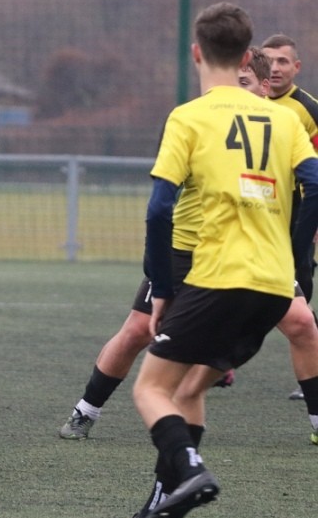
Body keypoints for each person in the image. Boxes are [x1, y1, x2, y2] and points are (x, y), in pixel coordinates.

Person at [99, 2, 318, 518]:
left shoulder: (189, 117)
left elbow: (157, 210)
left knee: (150, 388)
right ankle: (158, 517)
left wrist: (161, 291)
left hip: (219, 278)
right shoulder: (286, 117)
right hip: (273, 286)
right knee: (190, 386)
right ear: (250, 57)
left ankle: (190, 469)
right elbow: (314, 186)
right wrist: (294, 259)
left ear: (196, 52)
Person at [59, 47, 318, 443]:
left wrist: (295, 245)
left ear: (265, 89)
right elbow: (163, 202)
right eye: (235, 81)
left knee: (302, 324)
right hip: (191, 249)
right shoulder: (206, 121)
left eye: (245, 83)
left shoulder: (282, 125)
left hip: (251, 251)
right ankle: (85, 410)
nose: (236, 90)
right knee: (138, 331)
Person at [260, 34, 318, 401]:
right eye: (270, 61)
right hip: (261, 209)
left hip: (301, 210)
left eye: (284, 61)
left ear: (296, 67)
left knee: (299, 277)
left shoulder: (308, 110)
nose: (276, 68)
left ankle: (309, 366)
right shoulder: (250, 102)